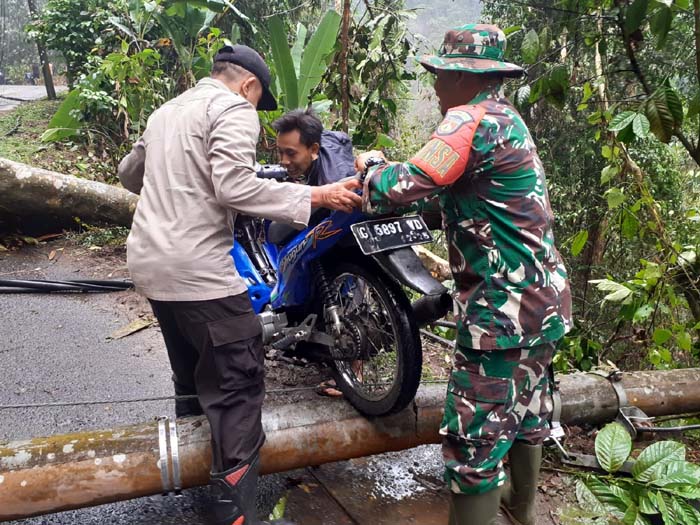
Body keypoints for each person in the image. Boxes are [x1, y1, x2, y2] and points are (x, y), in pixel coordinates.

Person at [118, 44, 361, 525]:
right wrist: (315, 193)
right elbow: (234, 187)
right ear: (250, 86)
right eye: (257, 101)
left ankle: (187, 468)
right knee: (239, 387)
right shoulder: (232, 108)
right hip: (197, 270)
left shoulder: (168, 110)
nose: (255, 110)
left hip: (150, 262)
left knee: (191, 369)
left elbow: (130, 175)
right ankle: (233, 514)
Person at [356, 24, 573, 525]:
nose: (433, 86)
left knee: (474, 446)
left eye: (439, 76)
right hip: (545, 306)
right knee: (524, 417)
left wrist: (371, 170)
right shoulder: (506, 119)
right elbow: (461, 195)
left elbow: (409, 180)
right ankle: (522, 514)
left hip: (502, 314)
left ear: (461, 77)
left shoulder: (469, 119)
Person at [272, 108, 356, 186]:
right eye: (280, 152)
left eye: (291, 153)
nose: (284, 161)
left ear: (313, 149)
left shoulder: (331, 184)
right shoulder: (319, 136)